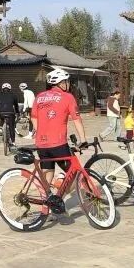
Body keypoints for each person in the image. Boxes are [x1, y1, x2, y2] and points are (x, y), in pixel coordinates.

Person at [31, 68, 88, 207]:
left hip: (41, 144)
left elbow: (33, 118)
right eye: (67, 82)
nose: (68, 84)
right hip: (58, 144)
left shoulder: (39, 97)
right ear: (62, 83)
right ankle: (58, 196)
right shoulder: (68, 97)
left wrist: (41, 132)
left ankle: (47, 206)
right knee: (75, 175)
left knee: (47, 174)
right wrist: (83, 140)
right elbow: (76, 119)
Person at [0, 83, 19, 147]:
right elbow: (16, 106)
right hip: (10, 113)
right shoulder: (14, 95)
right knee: (11, 127)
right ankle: (13, 142)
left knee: (1, 117)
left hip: (1, 112)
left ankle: (0, 127)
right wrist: (17, 112)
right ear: (10, 89)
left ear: (2, 89)